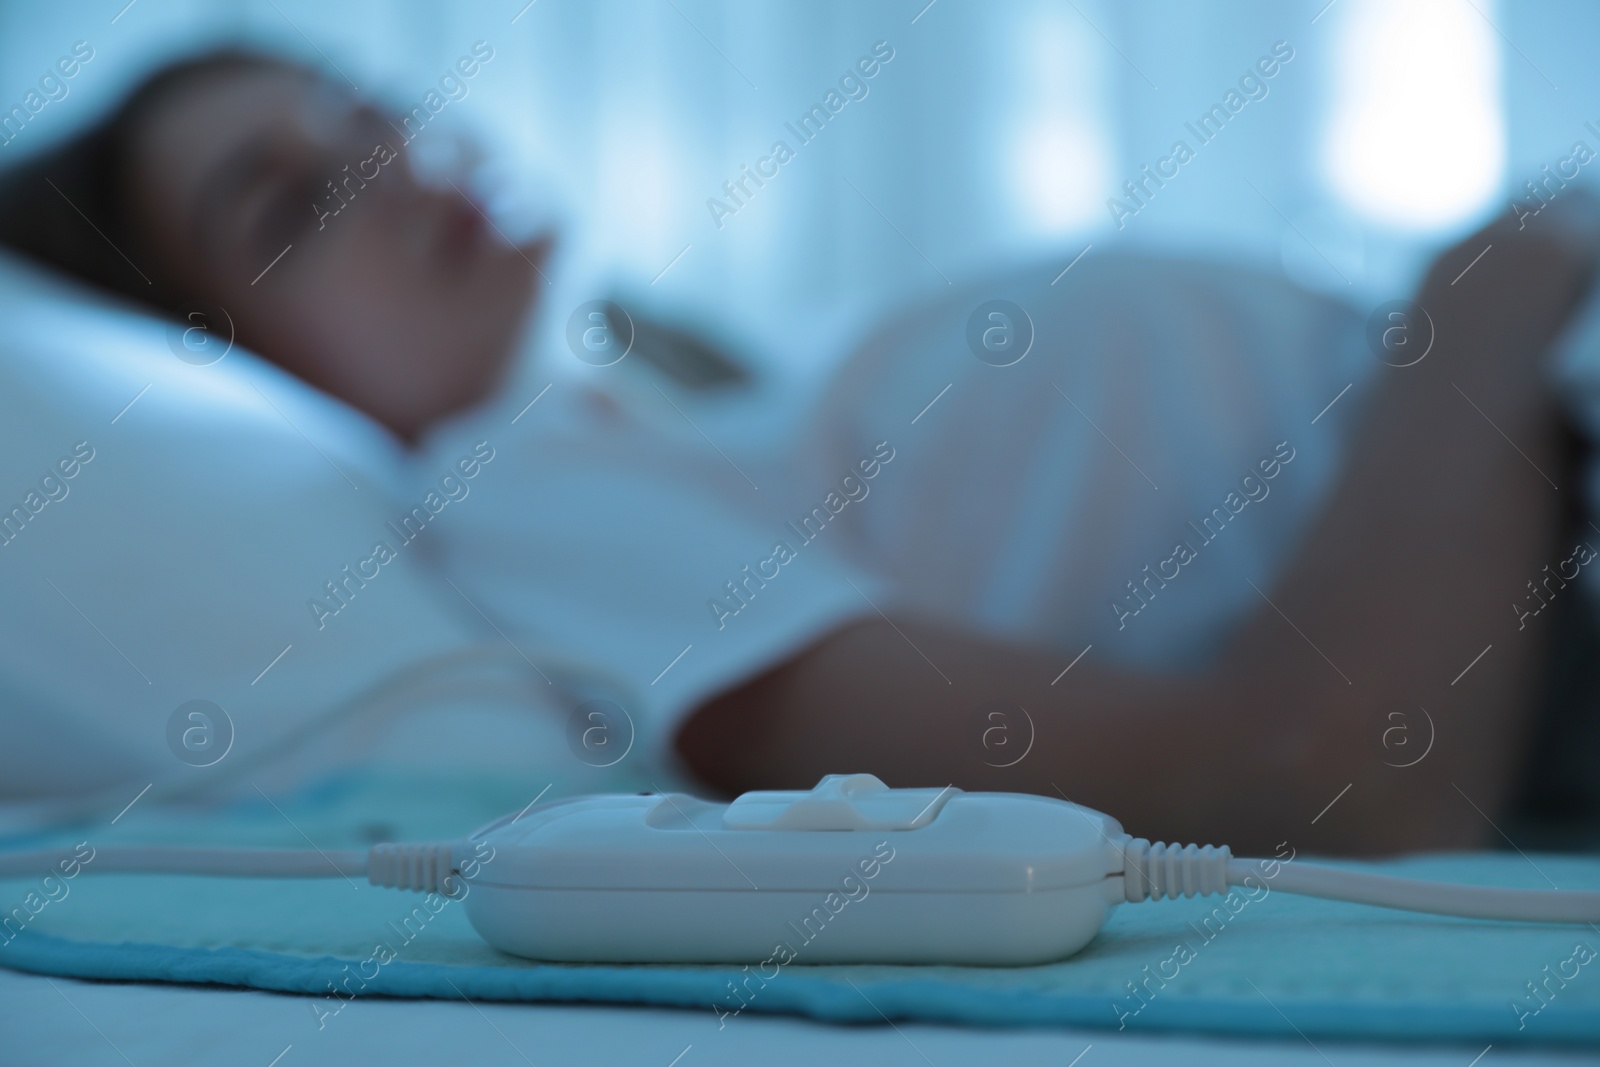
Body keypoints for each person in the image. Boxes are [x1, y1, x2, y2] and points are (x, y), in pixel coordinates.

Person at [1, 49, 1596, 856]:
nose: (392, 162)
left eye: (364, 114)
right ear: (229, 362)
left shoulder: (704, 400)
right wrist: (1494, 286)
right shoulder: (529, 506)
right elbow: (1305, 782)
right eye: (289, 207)